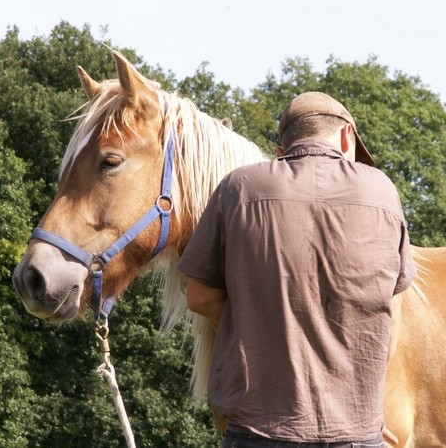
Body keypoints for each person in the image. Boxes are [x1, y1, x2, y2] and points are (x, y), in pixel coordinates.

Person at [177, 91, 417, 448]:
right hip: (356, 432)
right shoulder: (382, 191)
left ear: (282, 150)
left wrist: (259, 316)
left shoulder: (239, 187)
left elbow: (198, 297)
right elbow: (391, 307)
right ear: (346, 136)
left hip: (260, 431)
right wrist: (363, 417)